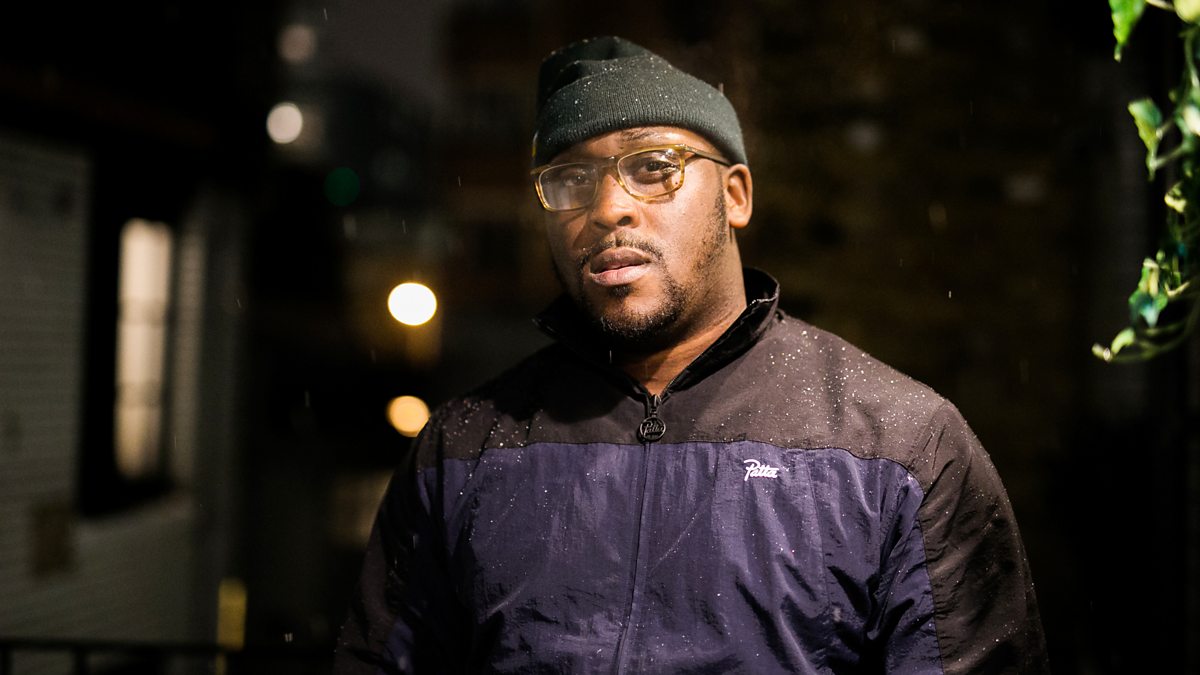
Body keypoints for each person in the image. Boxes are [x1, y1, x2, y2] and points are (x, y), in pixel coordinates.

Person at [334, 36, 1049, 674]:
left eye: (654, 167)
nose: (607, 208)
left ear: (734, 195)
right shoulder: (462, 452)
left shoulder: (901, 446)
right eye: (570, 180)